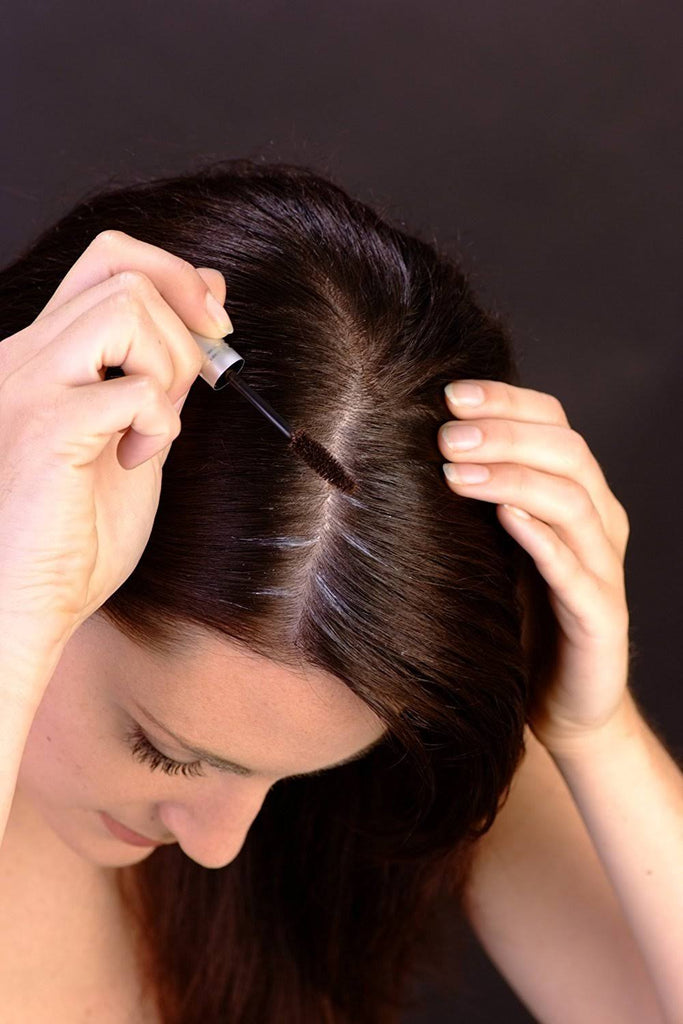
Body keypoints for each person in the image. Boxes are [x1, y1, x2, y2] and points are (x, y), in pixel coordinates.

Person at [0, 159, 680, 1024]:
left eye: (287, 780)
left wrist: (596, 734)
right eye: (166, 751)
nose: (219, 847)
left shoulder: (353, 703)